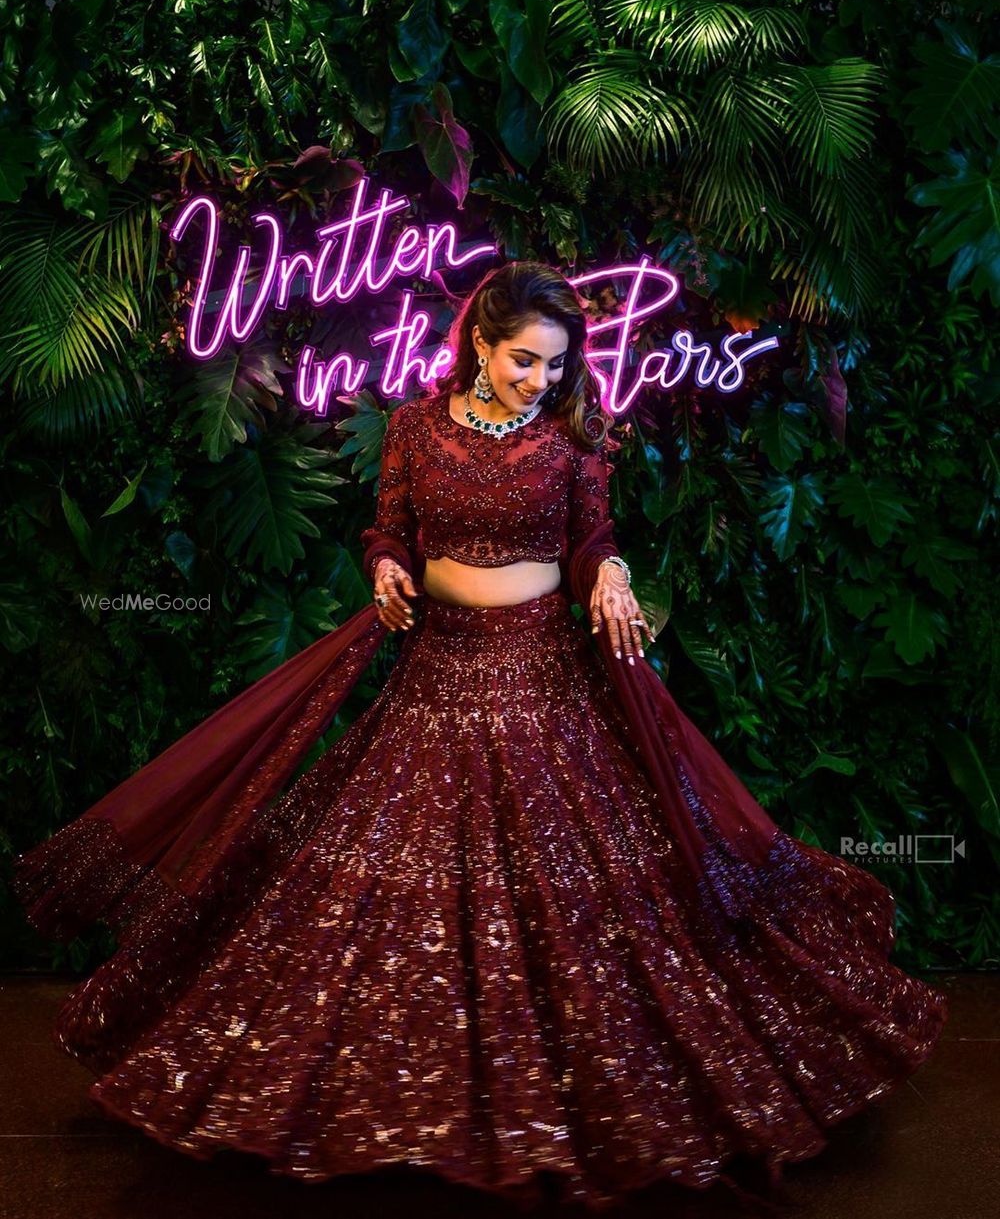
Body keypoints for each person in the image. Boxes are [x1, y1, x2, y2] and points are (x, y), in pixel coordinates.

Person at [12, 261, 948, 1213]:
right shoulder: (415, 427)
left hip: (543, 677)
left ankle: (569, 1112)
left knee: (577, 896)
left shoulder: (572, 435)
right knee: (387, 896)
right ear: (480, 343)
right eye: (522, 360)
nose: (538, 380)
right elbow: (387, 531)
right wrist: (382, 568)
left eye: (553, 365)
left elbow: (590, 538)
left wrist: (613, 573)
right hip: (439, 674)